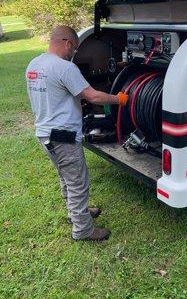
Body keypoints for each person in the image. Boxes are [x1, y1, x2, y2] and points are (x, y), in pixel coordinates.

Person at [25, 25, 128, 242]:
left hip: (45, 134)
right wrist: (119, 99)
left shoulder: (34, 65)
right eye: (74, 49)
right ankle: (83, 230)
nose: (74, 54)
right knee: (78, 182)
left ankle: (76, 214)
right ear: (68, 43)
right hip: (63, 137)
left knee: (66, 178)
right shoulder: (65, 68)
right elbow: (95, 98)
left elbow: (54, 94)